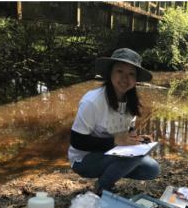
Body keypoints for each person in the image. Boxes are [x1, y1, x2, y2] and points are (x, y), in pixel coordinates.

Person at [68, 48, 160, 195]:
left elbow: (127, 131)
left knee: (152, 169)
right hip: (84, 160)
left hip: (113, 153)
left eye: (131, 74)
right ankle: (102, 187)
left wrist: (138, 139)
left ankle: (110, 173)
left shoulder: (131, 102)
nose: (125, 78)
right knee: (133, 157)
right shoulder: (92, 102)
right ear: (110, 73)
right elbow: (77, 141)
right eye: (120, 71)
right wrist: (115, 142)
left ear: (135, 79)